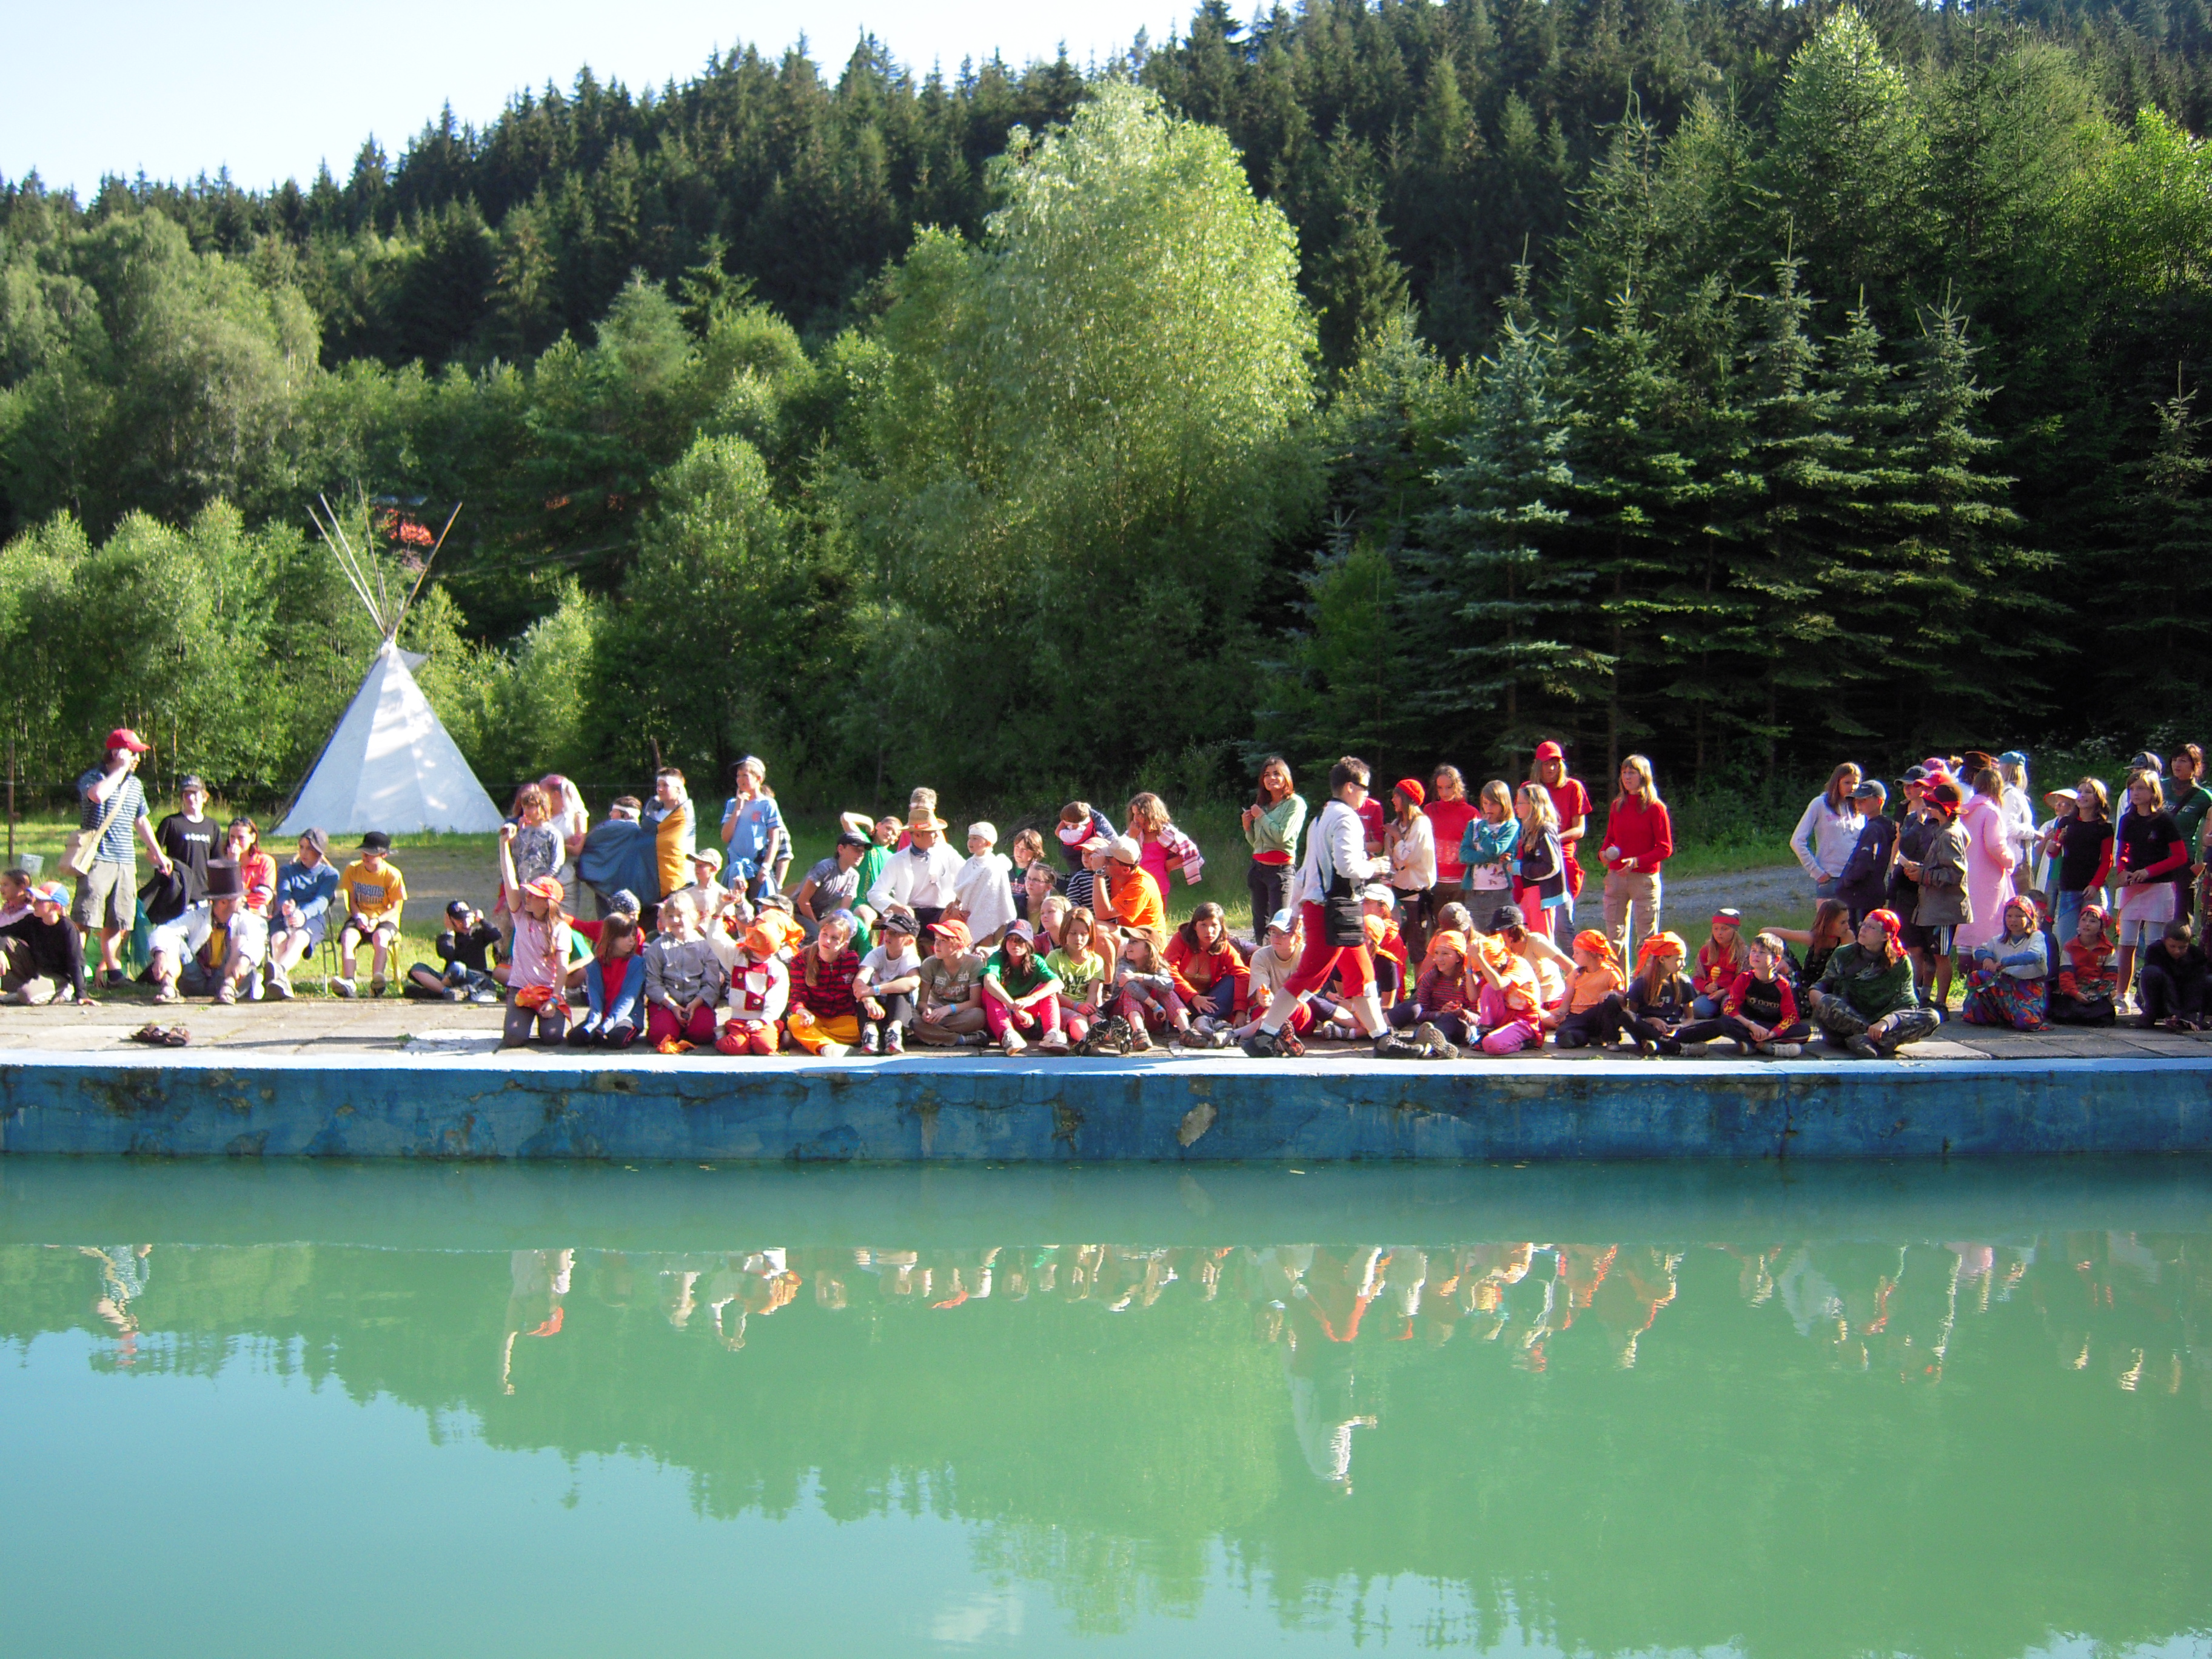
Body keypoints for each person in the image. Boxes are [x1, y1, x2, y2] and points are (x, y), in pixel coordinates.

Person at [1242, 757, 1417, 1059]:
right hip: (1333, 910)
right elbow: (1348, 866)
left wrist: (1296, 910)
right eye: (1364, 788)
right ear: (1349, 787)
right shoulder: (1346, 819)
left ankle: (1382, 1039)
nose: (1366, 795)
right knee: (1309, 976)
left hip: (1334, 910)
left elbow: (1305, 872)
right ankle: (1264, 1036)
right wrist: (1375, 866)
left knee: (1362, 976)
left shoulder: (1321, 818)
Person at [72, 728, 169, 989]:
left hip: (125, 860)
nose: (138, 759)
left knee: (118, 919)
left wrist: (158, 853)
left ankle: (115, 973)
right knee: (86, 917)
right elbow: (97, 796)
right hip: (97, 858)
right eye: (133, 753)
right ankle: (75, 972)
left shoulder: (135, 784)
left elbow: (141, 820)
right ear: (117, 753)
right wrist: (119, 771)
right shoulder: (93, 778)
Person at [1806, 910, 1940, 1057]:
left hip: (1882, 1024)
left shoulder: (1901, 962)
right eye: (1863, 924)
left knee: (1932, 1016)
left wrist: (1885, 1023)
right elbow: (1822, 985)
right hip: (1846, 1023)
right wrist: (1815, 994)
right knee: (1827, 1001)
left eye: (1871, 927)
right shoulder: (1843, 954)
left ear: (1885, 936)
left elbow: (1909, 1005)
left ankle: (1870, 1041)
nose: (1863, 929)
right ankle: (1874, 1040)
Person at [2111, 769, 2187, 1011]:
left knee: (2155, 945)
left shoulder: (2164, 820)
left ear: (2153, 792)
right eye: (2132, 789)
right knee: (2126, 943)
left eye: (2141, 788)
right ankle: (2122, 995)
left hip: (2159, 888)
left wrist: (2149, 872)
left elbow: (2180, 856)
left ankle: (2154, 997)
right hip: (2132, 888)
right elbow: (2122, 852)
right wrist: (2123, 871)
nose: (2135, 793)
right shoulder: (2127, 820)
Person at [148, 860, 267, 1005]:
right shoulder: (199, 916)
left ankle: (228, 990)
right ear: (223, 902)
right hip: (196, 979)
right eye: (237, 898)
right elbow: (163, 930)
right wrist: (160, 953)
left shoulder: (245, 918)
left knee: (241, 941)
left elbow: (257, 940)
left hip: (227, 977)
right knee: (172, 939)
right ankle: (169, 988)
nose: (243, 900)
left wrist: (244, 960)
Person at [1674, 931, 1809, 1056]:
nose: (1756, 955)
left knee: (1804, 1031)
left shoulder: (1784, 986)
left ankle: (1757, 1045)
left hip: (1770, 1027)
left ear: (1776, 960)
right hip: (1747, 1025)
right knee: (1723, 1023)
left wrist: (1772, 1033)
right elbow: (1730, 1008)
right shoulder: (1744, 979)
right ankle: (1677, 1038)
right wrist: (1751, 1025)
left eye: (1762, 952)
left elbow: (1791, 1017)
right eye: (1754, 951)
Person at [498, 825, 571, 1047]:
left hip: (549, 991)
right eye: (529, 893)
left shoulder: (561, 928)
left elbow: (562, 968)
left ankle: (548, 1016)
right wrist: (503, 844)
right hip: (521, 988)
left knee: (552, 1037)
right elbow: (509, 879)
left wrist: (555, 999)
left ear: (548, 903)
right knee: (514, 1038)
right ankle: (522, 1019)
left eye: (534, 896)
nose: (527, 898)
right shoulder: (521, 916)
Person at [1598, 754, 1671, 960]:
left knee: (1647, 939)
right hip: (1616, 877)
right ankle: (1618, 980)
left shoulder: (1655, 808)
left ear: (1644, 776)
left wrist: (1637, 861)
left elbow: (1665, 848)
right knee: (1614, 938)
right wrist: (1603, 853)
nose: (1627, 777)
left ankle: (1644, 980)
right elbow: (1611, 838)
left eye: (1632, 772)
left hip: (1644, 879)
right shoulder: (1617, 805)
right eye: (1624, 773)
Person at [1906, 779, 1971, 1010]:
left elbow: (1956, 873)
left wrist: (1923, 875)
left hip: (1945, 909)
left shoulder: (1949, 835)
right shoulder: (1942, 831)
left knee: (1941, 955)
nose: (1928, 808)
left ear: (1943, 809)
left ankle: (1942, 1002)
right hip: (1934, 907)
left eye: (1932, 805)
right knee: (1933, 953)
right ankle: (1929, 997)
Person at [642, 891, 726, 1050]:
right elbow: (653, 983)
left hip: (696, 1000)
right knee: (661, 1036)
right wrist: (672, 1006)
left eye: (680, 915)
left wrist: (696, 1003)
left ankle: (687, 1026)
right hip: (667, 1002)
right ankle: (671, 1024)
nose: (675, 920)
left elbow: (711, 983)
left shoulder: (704, 946)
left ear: (692, 916)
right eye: (671, 916)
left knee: (703, 1034)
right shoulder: (657, 947)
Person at [266, 829, 340, 1000]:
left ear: (319, 851)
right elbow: (284, 893)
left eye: (309, 849)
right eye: (301, 847)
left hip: (313, 918)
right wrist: (286, 905)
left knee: (298, 937)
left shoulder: (330, 874)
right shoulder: (287, 870)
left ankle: (279, 972)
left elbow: (322, 901)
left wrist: (303, 915)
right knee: (278, 939)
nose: (304, 853)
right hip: (286, 916)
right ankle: (282, 985)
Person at [332, 831, 406, 997]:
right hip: (360, 916)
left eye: (371, 854)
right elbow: (351, 901)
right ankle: (349, 982)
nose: (365, 857)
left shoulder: (392, 875)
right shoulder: (353, 869)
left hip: (385, 918)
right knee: (347, 937)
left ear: (383, 855)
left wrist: (376, 920)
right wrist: (359, 916)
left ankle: (377, 982)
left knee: (380, 938)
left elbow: (396, 908)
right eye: (364, 852)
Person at [1232, 910, 1317, 1054]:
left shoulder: (1306, 955)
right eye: (1273, 932)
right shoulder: (1260, 956)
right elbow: (1261, 991)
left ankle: (1266, 1036)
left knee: (1298, 1009)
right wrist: (1263, 997)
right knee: (1259, 1011)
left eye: (1284, 933)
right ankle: (1282, 1038)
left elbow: (1303, 996)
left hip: (1297, 1010)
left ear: (1298, 937)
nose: (1277, 937)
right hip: (1265, 1011)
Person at [1959, 894, 2049, 1031]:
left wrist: (2006, 962)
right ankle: (1992, 1014)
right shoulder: (1999, 940)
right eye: (2009, 916)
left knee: (2026, 1021)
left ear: (2029, 917)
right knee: (1977, 976)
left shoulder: (2036, 937)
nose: (2013, 920)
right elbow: (1980, 950)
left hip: (2028, 988)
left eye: (2019, 916)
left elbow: (2035, 956)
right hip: (2005, 984)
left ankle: (2013, 1015)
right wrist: (1987, 959)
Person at [1241, 757, 1308, 942]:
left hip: (1280, 872)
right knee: (1259, 925)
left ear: (1286, 776)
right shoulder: (1264, 805)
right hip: (1258, 869)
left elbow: (1282, 837)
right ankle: (1261, 958)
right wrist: (1247, 827)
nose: (1272, 778)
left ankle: (1283, 960)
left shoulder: (1295, 803)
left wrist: (1261, 817)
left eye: (1277, 774)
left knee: (1281, 925)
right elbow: (1257, 844)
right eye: (1267, 775)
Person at [2043, 776, 2113, 948]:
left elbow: (2107, 860)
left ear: (2098, 798)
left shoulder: (2104, 827)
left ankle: (2091, 965)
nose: (2082, 796)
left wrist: (2095, 885)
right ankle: (2067, 965)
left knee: (2092, 937)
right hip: (2069, 886)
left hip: (2091, 889)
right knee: (2066, 938)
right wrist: (2052, 846)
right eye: (2080, 792)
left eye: (2088, 792)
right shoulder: (2067, 822)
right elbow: (2054, 852)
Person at [142, 774, 220, 926]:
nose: (190, 798)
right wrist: (163, 866)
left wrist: (215, 893)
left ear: (205, 797)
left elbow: (217, 861)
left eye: (194, 793)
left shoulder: (212, 826)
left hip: (203, 895)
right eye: (186, 794)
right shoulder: (171, 823)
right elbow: (151, 854)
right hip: (177, 893)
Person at [1956, 766, 2019, 956]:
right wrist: (2010, 860)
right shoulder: (1990, 812)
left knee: (1968, 925)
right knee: (1986, 925)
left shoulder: (1964, 811)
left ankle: (1964, 966)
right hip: (1988, 876)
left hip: (1966, 873)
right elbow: (1994, 845)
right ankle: (1982, 968)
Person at [868, 803, 963, 927]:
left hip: (943, 912)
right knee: (904, 931)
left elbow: (966, 875)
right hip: (910, 915)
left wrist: (957, 903)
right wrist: (896, 907)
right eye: (932, 832)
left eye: (938, 831)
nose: (938, 836)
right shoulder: (897, 860)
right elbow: (875, 893)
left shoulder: (947, 852)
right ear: (917, 835)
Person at [0, 881, 93, 1005]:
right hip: (37, 971)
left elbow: (76, 962)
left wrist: (81, 994)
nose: (34, 903)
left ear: (56, 907)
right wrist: (1, 950)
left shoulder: (67, 928)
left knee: (27, 996)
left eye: (40, 901)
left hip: (58, 978)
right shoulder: (32, 920)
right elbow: (3, 932)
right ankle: (18, 992)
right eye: (35, 899)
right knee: (7, 942)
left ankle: (64, 991)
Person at [786, 912, 865, 1056]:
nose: (827, 941)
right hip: (813, 1016)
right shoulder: (801, 960)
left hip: (841, 1017)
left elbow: (854, 992)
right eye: (824, 934)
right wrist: (803, 1012)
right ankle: (825, 1047)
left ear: (844, 944)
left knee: (861, 1028)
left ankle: (812, 1038)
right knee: (794, 1021)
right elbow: (796, 998)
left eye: (835, 938)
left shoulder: (851, 960)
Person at [1166, 902, 1248, 1039]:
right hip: (1181, 1000)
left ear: (1221, 927)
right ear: (1195, 926)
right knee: (1166, 987)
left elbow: (1243, 974)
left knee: (1231, 980)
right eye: (1203, 925)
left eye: (1214, 925)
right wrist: (1193, 997)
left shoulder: (1224, 946)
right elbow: (1168, 970)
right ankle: (1195, 1024)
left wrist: (1241, 1011)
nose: (1209, 931)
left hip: (1208, 1004)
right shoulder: (1180, 939)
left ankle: (1204, 1021)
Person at [981, 920, 1065, 1053]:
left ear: (1029, 943)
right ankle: (1008, 1035)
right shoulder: (997, 958)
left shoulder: (1036, 961)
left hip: (1028, 1017)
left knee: (1047, 989)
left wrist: (1032, 999)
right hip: (1002, 1015)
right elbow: (989, 982)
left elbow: (1058, 983)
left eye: (1020, 940)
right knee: (988, 992)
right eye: (1011, 939)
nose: (1015, 944)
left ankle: (1052, 1034)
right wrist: (1014, 1007)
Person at [1388, 930, 1476, 1054]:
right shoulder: (1429, 978)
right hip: (1434, 1024)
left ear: (1459, 957)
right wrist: (1439, 1014)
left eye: (1445, 954)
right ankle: (1434, 1045)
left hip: (1462, 1028)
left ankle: (1433, 1043)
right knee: (1414, 1009)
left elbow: (1479, 1018)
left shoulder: (1469, 980)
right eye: (1436, 953)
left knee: (1449, 1019)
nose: (1438, 959)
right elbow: (1421, 1014)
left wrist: (1461, 1013)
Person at [1530, 742, 1593, 916]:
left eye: (1555, 764)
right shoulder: (1528, 789)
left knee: (1564, 870)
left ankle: (1565, 914)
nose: (1551, 768)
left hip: (1562, 847)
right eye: (1546, 764)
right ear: (1538, 766)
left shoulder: (1573, 787)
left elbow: (1579, 829)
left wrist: (1553, 839)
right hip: (1534, 846)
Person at [575, 797, 660, 919]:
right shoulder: (643, 833)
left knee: (607, 922)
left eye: (614, 811)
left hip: (605, 889)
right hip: (634, 890)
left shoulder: (611, 827)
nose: (610, 814)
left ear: (626, 815)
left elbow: (589, 844)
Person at [854, 909, 923, 1054]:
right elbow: (859, 982)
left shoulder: (910, 958)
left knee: (898, 986)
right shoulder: (876, 954)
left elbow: (913, 981)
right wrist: (869, 1001)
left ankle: (894, 1032)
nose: (888, 936)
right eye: (887, 931)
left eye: (895, 933)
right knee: (865, 990)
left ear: (909, 941)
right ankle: (870, 1032)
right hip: (877, 1011)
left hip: (901, 1014)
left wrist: (875, 990)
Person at [1791, 763, 1865, 899]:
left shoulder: (1860, 807)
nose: (1852, 787)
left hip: (1855, 877)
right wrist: (1817, 872)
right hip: (1830, 878)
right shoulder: (1820, 804)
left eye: (1856, 783)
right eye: (1847, 783)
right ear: (1836, 783)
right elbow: (1797, 841)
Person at [405, 899, 502, 1002]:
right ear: (450, 920)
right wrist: (450, 931)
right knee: (417, 968)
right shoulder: (446, 938)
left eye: (468, 917)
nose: (465, 923)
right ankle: (447, 992)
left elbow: (497, 936)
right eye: (460, 920)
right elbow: (448, 953)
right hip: (449, 978)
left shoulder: (478, 933)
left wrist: (482, 920)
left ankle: (436, 991)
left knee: (458, 967)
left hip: (474, 978)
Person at [721, 756, 790, 899]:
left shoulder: (767, 804)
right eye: (738, 776)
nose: (740, 780)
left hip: (757, 866)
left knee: (758, 904)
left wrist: (766, 866)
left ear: (758, 779)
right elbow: (726, 837)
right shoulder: (732, 804)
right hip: (735, 866)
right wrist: (738, 810)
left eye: (745, 776)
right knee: (734, 905)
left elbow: (775, 840)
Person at [913, 917, 989, 1047]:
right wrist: (926, 1010)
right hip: (935, 1012)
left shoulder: (973, 964)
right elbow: (922, 1002)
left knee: (979, 1016)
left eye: (943, 941)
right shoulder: (929, 964)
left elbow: (975, 1002)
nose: (937, 945)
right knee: (912, 1018)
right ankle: (960, 1039)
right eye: (936, 939)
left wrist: (949, 1009)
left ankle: (926, 1035)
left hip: (959, 1013)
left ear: (959, 945)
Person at [1467, 931, 1547, 1055]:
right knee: (1488, 988)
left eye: (1490, 967)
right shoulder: (1494, 971)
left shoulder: (1519, 964)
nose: (1485, 973)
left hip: (1525, 1020)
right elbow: (1473, 997)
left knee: (1491, 1044)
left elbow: (1498, 984)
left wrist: (1480, 958)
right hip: (1504, 1018)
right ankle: (1486, 1030)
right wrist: (1469, 967)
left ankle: (1526, 1043)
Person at [1510, 783, 1570, 946]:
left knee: (1542, 944)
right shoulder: (1528, 830)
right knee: (1527, 942)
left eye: (1520, 803)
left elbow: (1552, 866)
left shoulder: (1545, 830)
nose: (1516, 807)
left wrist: (1520, 868)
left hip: (1542, 896)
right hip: (1529, 893)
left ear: (1534, 805)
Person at [1618, 932, 1696, 1056]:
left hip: (1674, 1030)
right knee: (1625, 1016)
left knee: (1718, 1025)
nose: (1684, 964)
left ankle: (1657, 1046)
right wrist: (1651, 1020)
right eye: (1679, 960)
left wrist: (1679, 1026)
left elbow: (1690, 1018)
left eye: (1683, 959)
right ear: (1662, 959)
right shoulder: (1641, 983)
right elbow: (1633, 1014)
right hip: (1649, 1030)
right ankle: (1676, 1048)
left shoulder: (1684, 982)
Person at [1384, 779, 1437, 959]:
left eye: (1397, 796)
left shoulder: (1421, 824)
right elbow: (1390, 858)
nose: (1393, 800)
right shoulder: (1396, 823)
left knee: (1417, 950)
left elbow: (1408, 858)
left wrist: (1397, 837)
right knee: (1393, 946)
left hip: (1415, 897)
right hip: (1397, 895)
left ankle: (1420, 978)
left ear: (1408, 798)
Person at [1094, 835, 1170, 957]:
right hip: (1131, 935)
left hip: (1148, 944)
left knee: (1097, 929)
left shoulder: (1140, 886)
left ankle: (1109, 970)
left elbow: (1102, 914)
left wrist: (1098, 872)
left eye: (1108, 861)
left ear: (1125, 870)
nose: (1103, 863)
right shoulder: (1120, 875)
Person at [1834, 781, 1896, 927]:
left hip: (1861, 896)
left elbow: (1865, 862)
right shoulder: (1883, 826)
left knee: (1858, 934)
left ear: (1879, 801)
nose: (1858, 804)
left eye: (1864, 800)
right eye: (1857, 800)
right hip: (1870, 894)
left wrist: (1848, 880)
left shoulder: (1874, 828)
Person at [1112, 932, 1190, 1048]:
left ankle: (1187, 1032)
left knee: (1167, 992)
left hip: (1154, 1017)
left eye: (1134, 942)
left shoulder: (1159, 966)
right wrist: (1154, 1005)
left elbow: (1169, 985)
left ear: (1148, 949)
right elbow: (1129, 985)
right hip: (1123, 1017)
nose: (1128, 946)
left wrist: (1140, 976)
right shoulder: (1124, 963)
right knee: (1129, 991)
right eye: (1129, 942)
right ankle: (1139, 1033)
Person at [1552, 930, 1626, 1050]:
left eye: (1577, 953)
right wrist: (1558, 1014)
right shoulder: (1576, 975)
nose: (1573, 956)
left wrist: (1613, 993)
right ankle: (1587, 1037)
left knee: (1612, 1000)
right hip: (1578, 1017)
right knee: (1563, 1034)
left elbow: (1623, 1001)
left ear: (1593, 954)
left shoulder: (1610, 973)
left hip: (1599, 1015)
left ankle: (1611, 1039)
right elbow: (1565, 1004)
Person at [1046, 907, 1109, 1045]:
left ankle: (1114, 1037)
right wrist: (1076, 1006)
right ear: (1065, 933)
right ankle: (1086, 1041)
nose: (1078, 938)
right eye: (1073, 933)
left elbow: (1093, 993)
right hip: (1064, 1006)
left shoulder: (1097, 961)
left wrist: (1087, 1007)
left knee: (1097, 1020)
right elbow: (1053, 993)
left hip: (1086, 1006)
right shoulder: (1055, 957)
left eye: (1083, 934)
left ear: (1090, 935)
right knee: (1078, 1021)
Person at [950, 822, 1018, 947]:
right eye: (969, 838)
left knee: (984, 947)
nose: (970, 842)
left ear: (988, 843)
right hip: (967, 915)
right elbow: (961, 888)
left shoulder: (995, 866)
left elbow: (996, 895)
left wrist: (983, 914)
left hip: (988, 917)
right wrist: (956, 907)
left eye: (975, 839)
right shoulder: (969, 864)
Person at [1460, 780, 1519, 919]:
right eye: (1485, 803)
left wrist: (1484, 830)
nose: (1488, 808)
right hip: (1475, 892)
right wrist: (1495, 859)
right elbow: (1464, 855)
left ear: (1504, 804)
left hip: (1501, 891)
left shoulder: (1510, 826)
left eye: (1493, 804)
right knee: (1476, 931)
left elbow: (1494, 850)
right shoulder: (1474, 825)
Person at [1126, 793, 1204, 896]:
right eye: (1134, 814)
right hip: (1136, 887)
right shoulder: (1134, 834)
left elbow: (1190, 850)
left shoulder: (1166, 833)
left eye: (1139, 814)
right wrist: (1132, 838)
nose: (1135, 819)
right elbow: (1122, 854)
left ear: (1151, 814)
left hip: (1158, 887)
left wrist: (1168, 864)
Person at [1771, 897, 1854, 994]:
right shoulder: (1813, 938)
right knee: (1776, 947)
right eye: (1843, 923)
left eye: (1848, 921)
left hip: (1831, 988)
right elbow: (1766, 932)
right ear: (1829, 923)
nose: (1847, 926)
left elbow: (1851, 967)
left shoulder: (1846, 936)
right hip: (1806, 985)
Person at [2168, 745, 2212, 927]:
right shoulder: (2160, 787)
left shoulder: (2203, 797)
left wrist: (2200, 865)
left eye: (2183, 761)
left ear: (2196, 765)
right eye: (2175, 760)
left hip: (2184, 860)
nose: (2177, 764)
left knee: (2180, 914)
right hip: (2156, 856)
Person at [794, 831, 869, 938]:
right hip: (798, 913)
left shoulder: (854, 877)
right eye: (856, 850)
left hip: (821, 918)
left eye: (863, 851)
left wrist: (828, 923)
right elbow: (802, 901)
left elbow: (843, 910)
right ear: (841, 849)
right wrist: (817, 926)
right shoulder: (825, 868)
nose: (861, 854)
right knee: (816, 936)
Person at [2137, 920, 2207, 1031]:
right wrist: (2172, 1012)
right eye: (2172, 946)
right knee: (2151, 972)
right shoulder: (2155, 951)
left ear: (2189, 943)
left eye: (2182, 947)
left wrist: (2189, 1016)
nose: (2177, 951)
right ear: (2164, 941)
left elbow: (2196, 985)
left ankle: (2199, 1018)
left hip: (2184, 999)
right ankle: (2150, 1014)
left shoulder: (2196, 955)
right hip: (2160, 999)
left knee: (2209, 980)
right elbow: (2165, 981)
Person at [646, 768, 695, 905]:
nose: (660, 789)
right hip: (655, 877)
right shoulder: (653, 814)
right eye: (658, 785)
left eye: (665, 785)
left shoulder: (685, 812)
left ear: (678, 789)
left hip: (680, 878)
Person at [1691, 908, 1749, 1018]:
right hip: (1711, 994)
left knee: (1729, 1007)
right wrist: (1706, 987)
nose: (1719, 933)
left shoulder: (1743, 953)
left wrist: (1724, 991)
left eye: (1725, 929)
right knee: (1697, 1008)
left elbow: (1745, 981)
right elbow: (1697, 978)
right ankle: (1716, 1012)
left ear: (1735, 931)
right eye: (1716, 929)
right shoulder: (1706, 950)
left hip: (1732, 993)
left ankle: (1724, 1013)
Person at [1996, 751, 2039, 884]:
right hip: (2015, 861)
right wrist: (2034, 833)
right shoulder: (2011, 794)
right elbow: (2008, 827)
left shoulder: (2005, 792)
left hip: (2011, 859)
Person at [224, 819, 276, 916]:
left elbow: (264, 897)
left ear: (253, 838)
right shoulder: (223, 863)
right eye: (232, 837)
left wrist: (242, 903)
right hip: (228, 912)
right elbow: (223, 895)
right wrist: (233, 864)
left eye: (241, 838)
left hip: (254, 912)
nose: (235, 842)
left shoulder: (265, 862)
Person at [542, 774, 590, 860]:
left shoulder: (577, 818)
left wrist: (546, 846)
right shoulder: (541, 818)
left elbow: (576, 850)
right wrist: (566, 843)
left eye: (543, 794)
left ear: (555, 795)